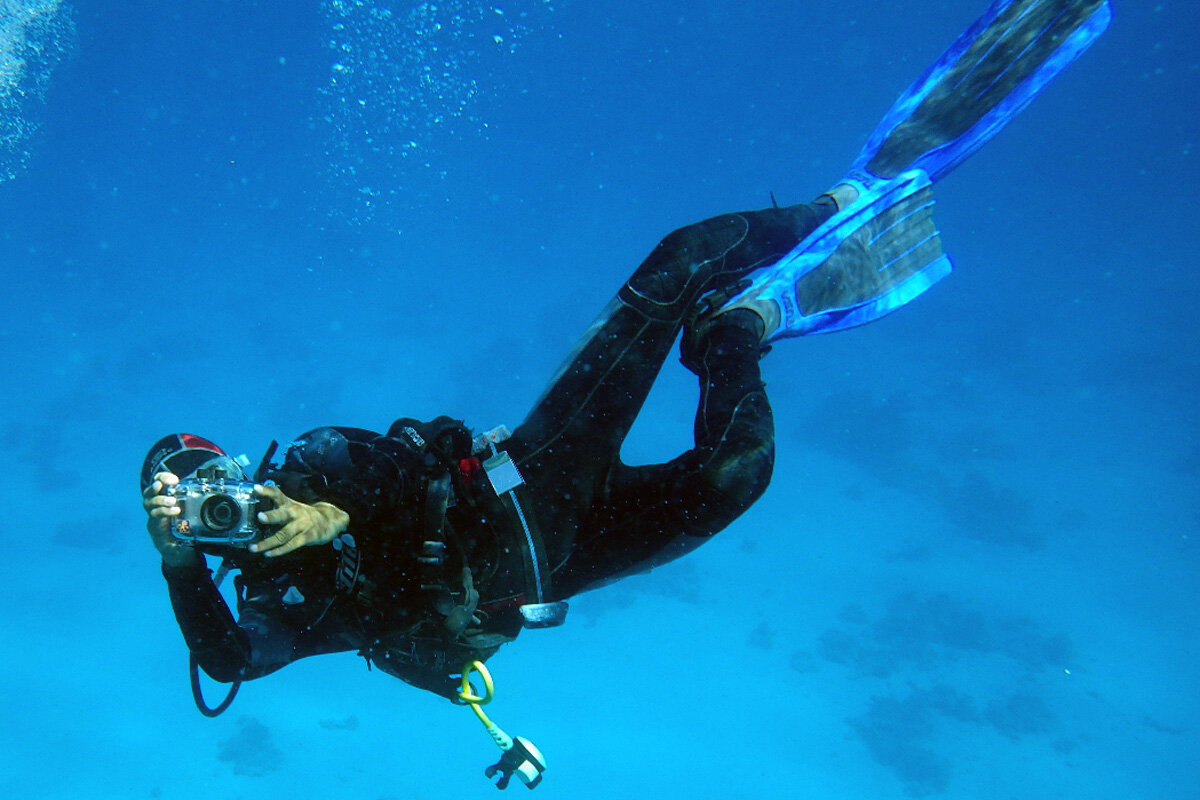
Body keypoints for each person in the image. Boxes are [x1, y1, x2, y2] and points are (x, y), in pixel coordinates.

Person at [142, 0, 1109, 760]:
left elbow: (385, 466)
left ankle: (834, 206)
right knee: (738, 477)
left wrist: (327, 512)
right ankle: (738, 331)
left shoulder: (314, 464)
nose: (218, 502)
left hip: (528, 484)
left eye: (212, 475)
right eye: (189, 509)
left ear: (236, 461)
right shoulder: (274, 603)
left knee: (682, 256)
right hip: (557, 567)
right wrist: (181, 568)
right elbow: (228, 660)